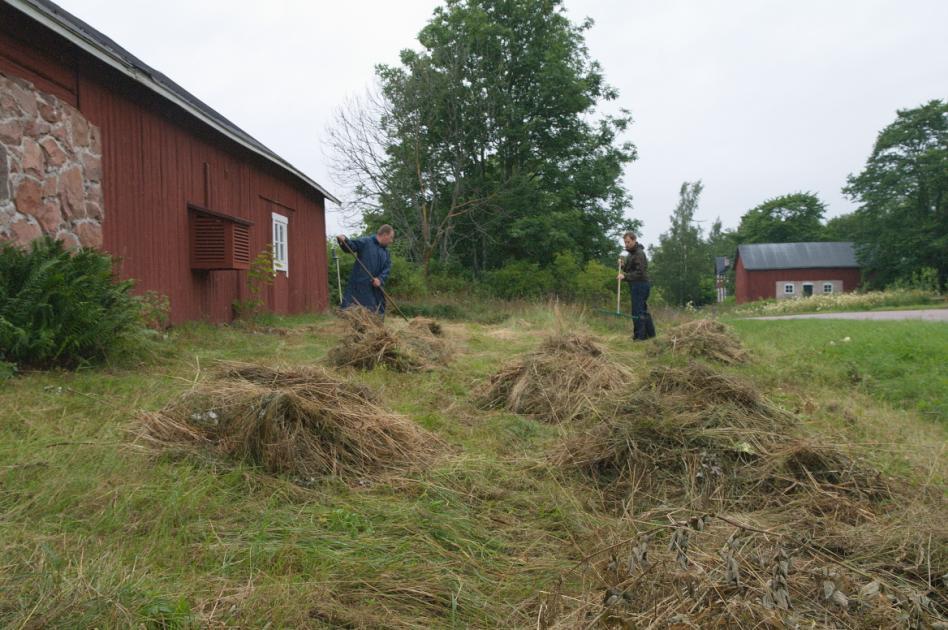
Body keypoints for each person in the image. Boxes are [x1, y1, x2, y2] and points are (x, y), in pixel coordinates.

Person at [336, 225, 394, 317]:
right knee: (358, 316)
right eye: (391, 237)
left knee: (376, 316)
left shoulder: (386, 253)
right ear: (384, 235)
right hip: (360, 287)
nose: (391, 241)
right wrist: (344, 240)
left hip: (375, 290)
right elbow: (351, 246)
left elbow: (387, 268)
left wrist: (380, 279)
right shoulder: (366, 242)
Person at [617, 231, 656, 340]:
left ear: (634, 240)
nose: (626, 244)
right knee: (642, 310)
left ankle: (640, 337)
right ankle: (651, 335)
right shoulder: (631, 254)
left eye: (628, 242)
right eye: (625, 242)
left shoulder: (639, 253)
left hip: (641, 285)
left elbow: (640, 273)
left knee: (637, 311)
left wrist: (625, 277)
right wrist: (623, 266)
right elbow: (631, 269)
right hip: (636, 285)